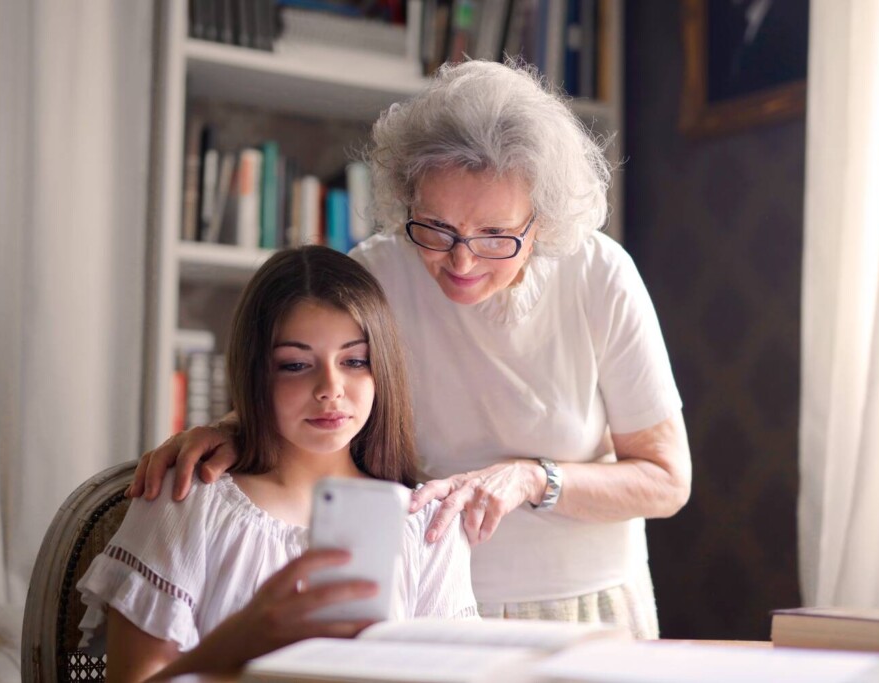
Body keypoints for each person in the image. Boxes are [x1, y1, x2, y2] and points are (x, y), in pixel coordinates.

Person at [131, 59, 691, 639]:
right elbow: (318, 379)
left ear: (541, 222)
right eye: (436, 228)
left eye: (496, 236)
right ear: (406, 200)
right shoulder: (376, 272)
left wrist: (531, 478)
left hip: (586, 599)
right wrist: (233, 427)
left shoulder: (599, 275)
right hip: (428, 599)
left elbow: (667, 479)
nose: (461, 261)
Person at [77, 246, 477, 681]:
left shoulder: (429, 525)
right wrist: (236, 644)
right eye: (296, 364)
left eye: (355, 360)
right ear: (255, 374)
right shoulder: (189, 498)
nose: (330, 387)